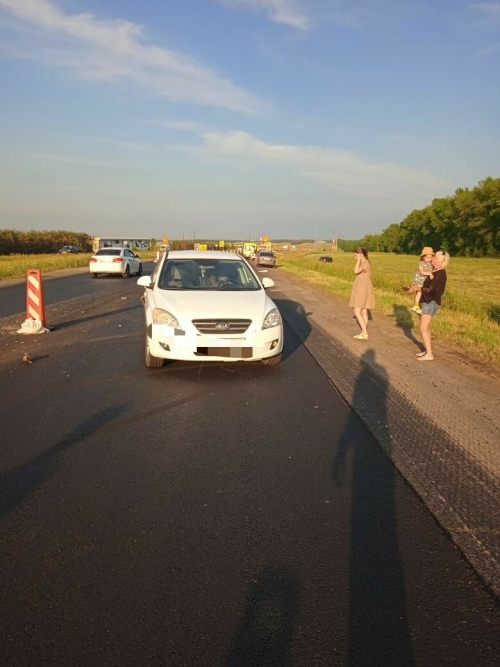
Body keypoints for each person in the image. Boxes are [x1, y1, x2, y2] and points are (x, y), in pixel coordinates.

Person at [416, 250, 450, 361]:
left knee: (423, 328)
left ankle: (429, 354)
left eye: (435, 258)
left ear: (442, 261)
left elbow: (430, 289)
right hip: (427, 301)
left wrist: (416, 289)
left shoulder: (440, 274)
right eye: (434, 257)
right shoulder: (435, 272)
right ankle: (427, 350)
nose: (433, 259)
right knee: (425, 327)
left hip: (430, 302)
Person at [349, 247, 375, 340]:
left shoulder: (365, 263)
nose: (354, 257)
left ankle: (365, 333)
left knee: (357, 311)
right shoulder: (365, 263)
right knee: (364, 311)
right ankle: (363, 332)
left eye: (356, 255)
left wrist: (358, 260)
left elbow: (355, 271)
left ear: (360, 254)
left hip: (362, 289)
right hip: (364, 288)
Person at [405, 247, 435, 314]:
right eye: (427, 257)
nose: (429, 259)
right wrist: (429, 273)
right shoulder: (421, 263)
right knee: (419, 292)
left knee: (421, 293)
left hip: (425, 281)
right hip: (419, 280)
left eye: (430, 257)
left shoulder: (431, 263)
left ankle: (418, 305)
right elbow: (421, 272)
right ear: (423, 257)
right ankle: (416, 306)